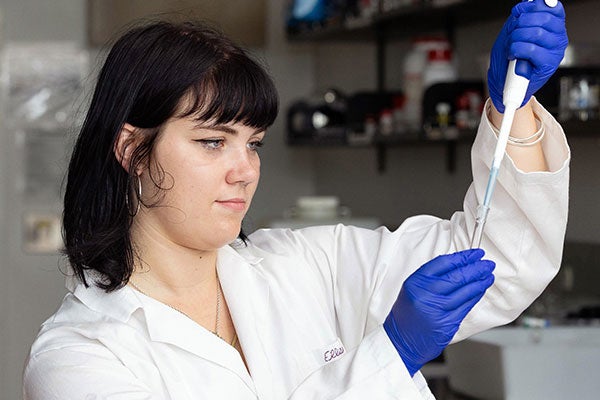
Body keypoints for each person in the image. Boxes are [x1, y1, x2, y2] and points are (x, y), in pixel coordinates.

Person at [23, 1, 569, 399]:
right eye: (213, 142)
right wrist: (390, 354)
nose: (245, 170)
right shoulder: (78, 359)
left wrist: (510, 106)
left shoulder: (309, 267)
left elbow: (503, 260)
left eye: (253, 144)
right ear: (132, 149)